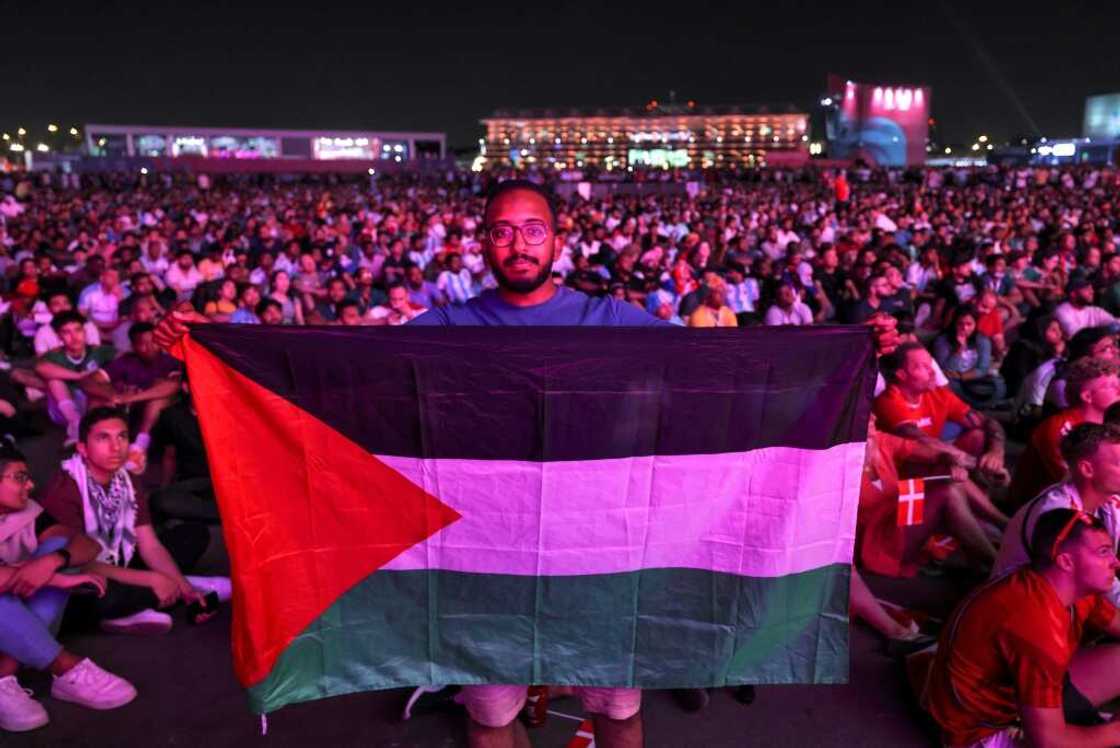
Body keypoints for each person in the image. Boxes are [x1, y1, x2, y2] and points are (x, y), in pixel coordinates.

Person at [924, 508, 1120, 747]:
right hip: (974, 729)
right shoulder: (1038, 625)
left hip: (1012, 698)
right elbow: (1049, 740)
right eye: (1103, 552)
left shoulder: (1067, 587)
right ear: (1066, 561)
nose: (1115, 562)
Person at [39, 408, 227, 636]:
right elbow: (75, 562)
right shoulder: (64, 489)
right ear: (82, 448)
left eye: (122, 436)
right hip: (79, 573)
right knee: (96, 596)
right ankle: (141, 601)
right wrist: (150, 578)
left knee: (193, 535)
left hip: (120, 560)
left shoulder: (127, 479)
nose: (116, 447)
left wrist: (186, 590)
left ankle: (153, 598)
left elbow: (149, 544)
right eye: (103, 438)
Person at [0, 445, 136, 732]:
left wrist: (53, 561)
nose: (30, 485)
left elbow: (86, 545)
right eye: (20, 477)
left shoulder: (27, 513)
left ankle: (4, 672)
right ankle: (65, 665)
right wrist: (56, 579)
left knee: (61, 548)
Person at [995, 423, 1120, 604]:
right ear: (1087, 469)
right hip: (1022, 608)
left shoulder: (1107, 497)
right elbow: (1097, 584)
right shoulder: (1057, 512)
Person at [1007, 359, 1120, 508]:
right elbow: (1078, 483)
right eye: (1111, 387)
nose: (1119, 389)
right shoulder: (1061, 429)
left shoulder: (1107, 427)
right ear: (1087, 397)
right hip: (1045, 513)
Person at [34, 311, 117, 445]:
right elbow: (39, 368)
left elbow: (125, 359)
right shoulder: (53, 355)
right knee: (54, 381)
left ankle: (96, 428)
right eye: (66, 332)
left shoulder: (100, 351)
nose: (74, 337)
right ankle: (75, 425)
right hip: (63, 410)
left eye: (78, 330)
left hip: (94, 403)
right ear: (59, 336)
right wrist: (79, 376)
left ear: (85, 332)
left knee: (102, 380)